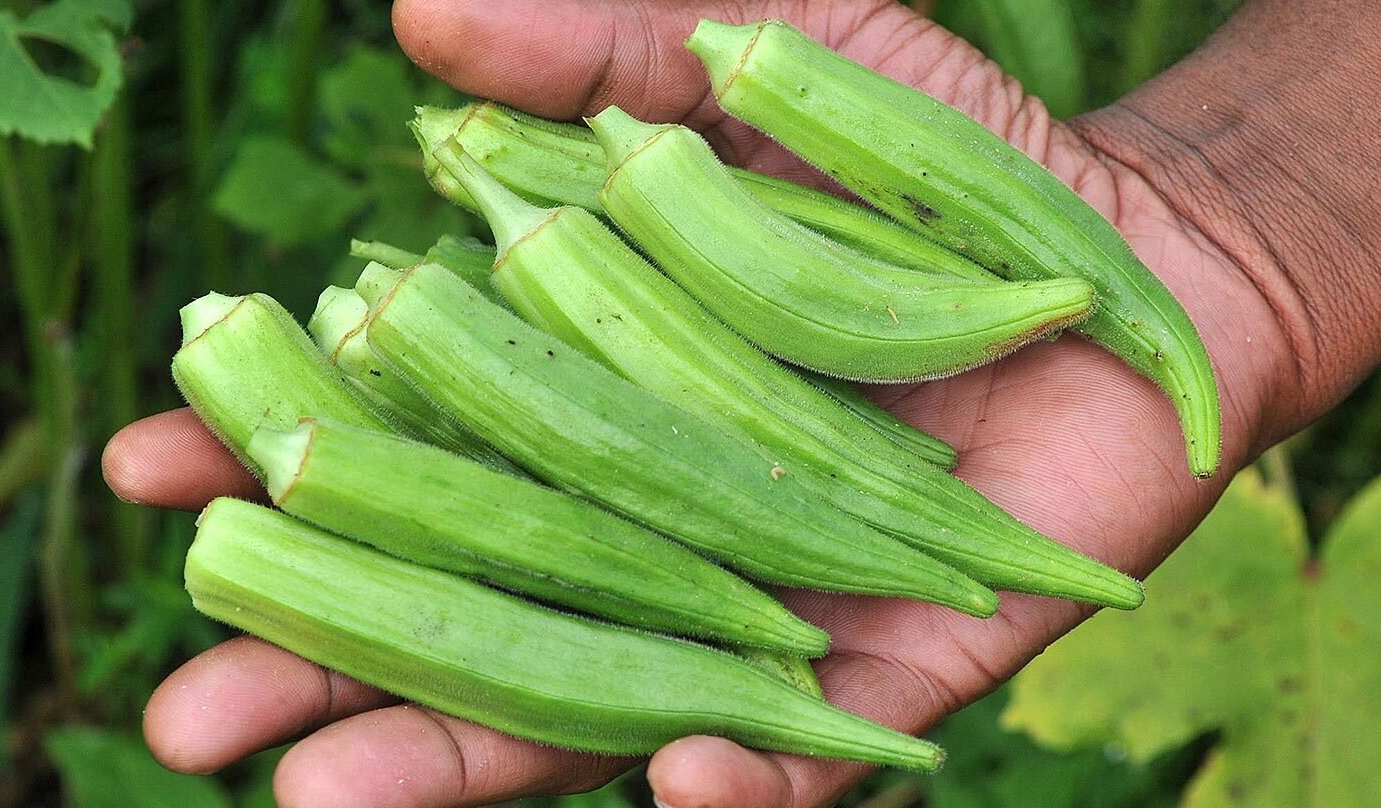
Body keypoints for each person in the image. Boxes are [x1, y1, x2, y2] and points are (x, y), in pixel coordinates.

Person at [102, 1, 1381, 805]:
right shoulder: (573, 262)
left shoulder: (623, 220)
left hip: (789, 432)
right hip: (747, 445)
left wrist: (1241, 238)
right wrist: (1246, 231)